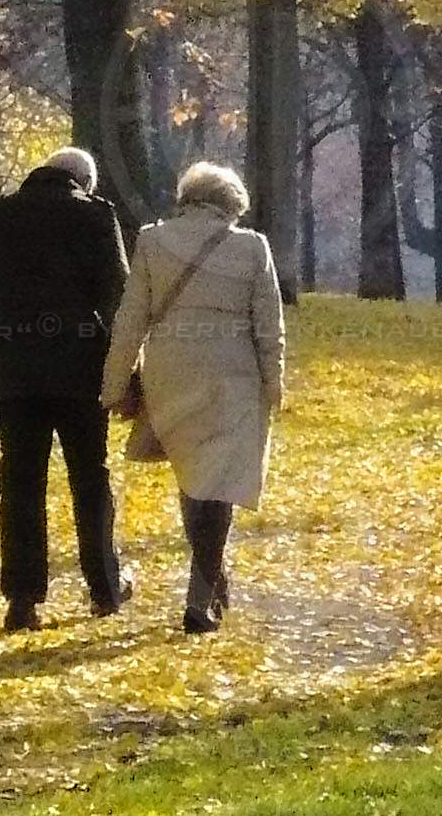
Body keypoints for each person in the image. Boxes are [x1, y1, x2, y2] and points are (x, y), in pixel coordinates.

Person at [101, 161, 285, 634]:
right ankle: (200, 598)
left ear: (187, 198)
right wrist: (274, 383)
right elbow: (269, 327)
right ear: (232, 205)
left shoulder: (152, 241)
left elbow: (130, 321)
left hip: (170, 374)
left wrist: (114, 386)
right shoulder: (252, 247)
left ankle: (209, 581)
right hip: (233, 378)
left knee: (192, 478)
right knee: (217, 485)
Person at [0, 146, 132, 631]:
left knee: (20, 483)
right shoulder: (96, 216)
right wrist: (120, 369)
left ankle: (22, 599)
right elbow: (118, 297)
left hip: (13, 374)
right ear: (84, 182)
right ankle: (104, 588)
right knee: (90, 478)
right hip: (81, 373)